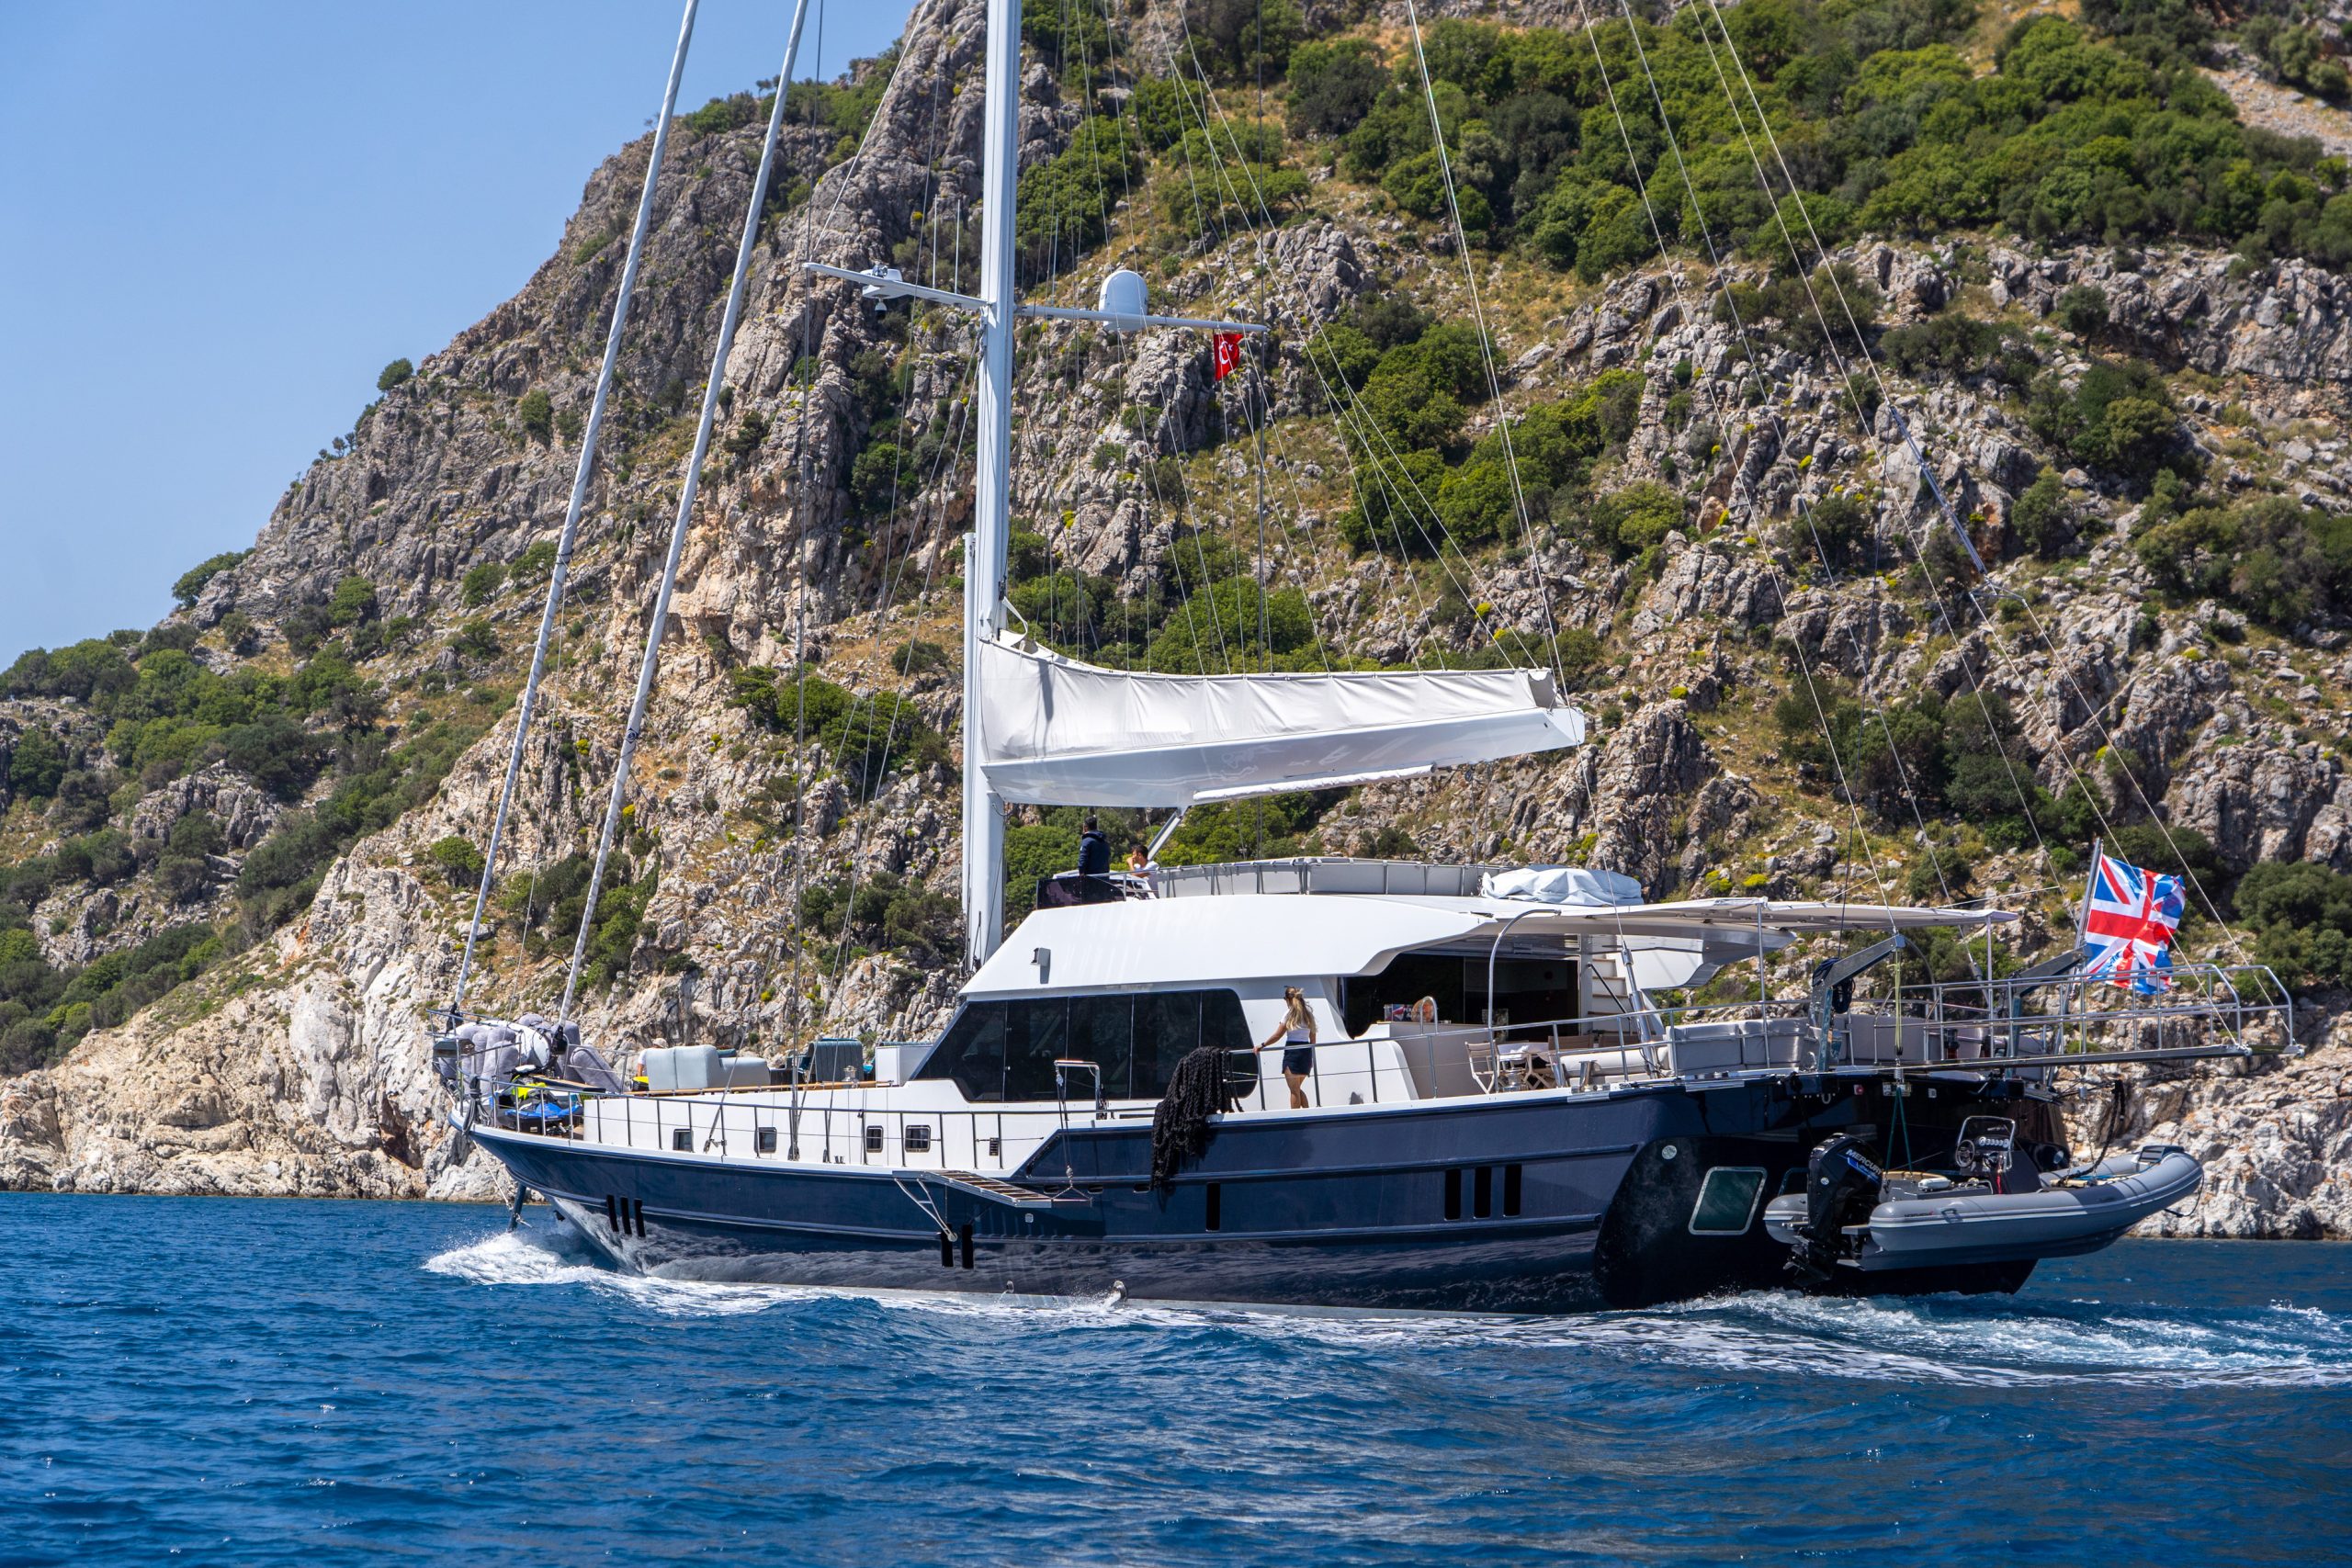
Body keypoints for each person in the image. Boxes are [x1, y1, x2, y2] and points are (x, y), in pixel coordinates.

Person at [1260, 987, 1317, 1110]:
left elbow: (1277, 1035)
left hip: (1293, 1052)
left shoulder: (1289, 1013)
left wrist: (1262, 1045)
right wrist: (1311, 1059)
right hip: (1306, 1052)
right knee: (1297, 1089)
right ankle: (1308, 1113)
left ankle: (1297, 1119)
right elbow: (1313, 1039)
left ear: (1287, 999)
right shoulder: (1308, 1013)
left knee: (1294, 1091)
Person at [1077, 814, 1110, 878]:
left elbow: (1082, 860)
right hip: (1104, 878)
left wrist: (1081, 874)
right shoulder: (1104, 841)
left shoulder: (1087, 841)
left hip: (1091, 879)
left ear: (1085, 827)